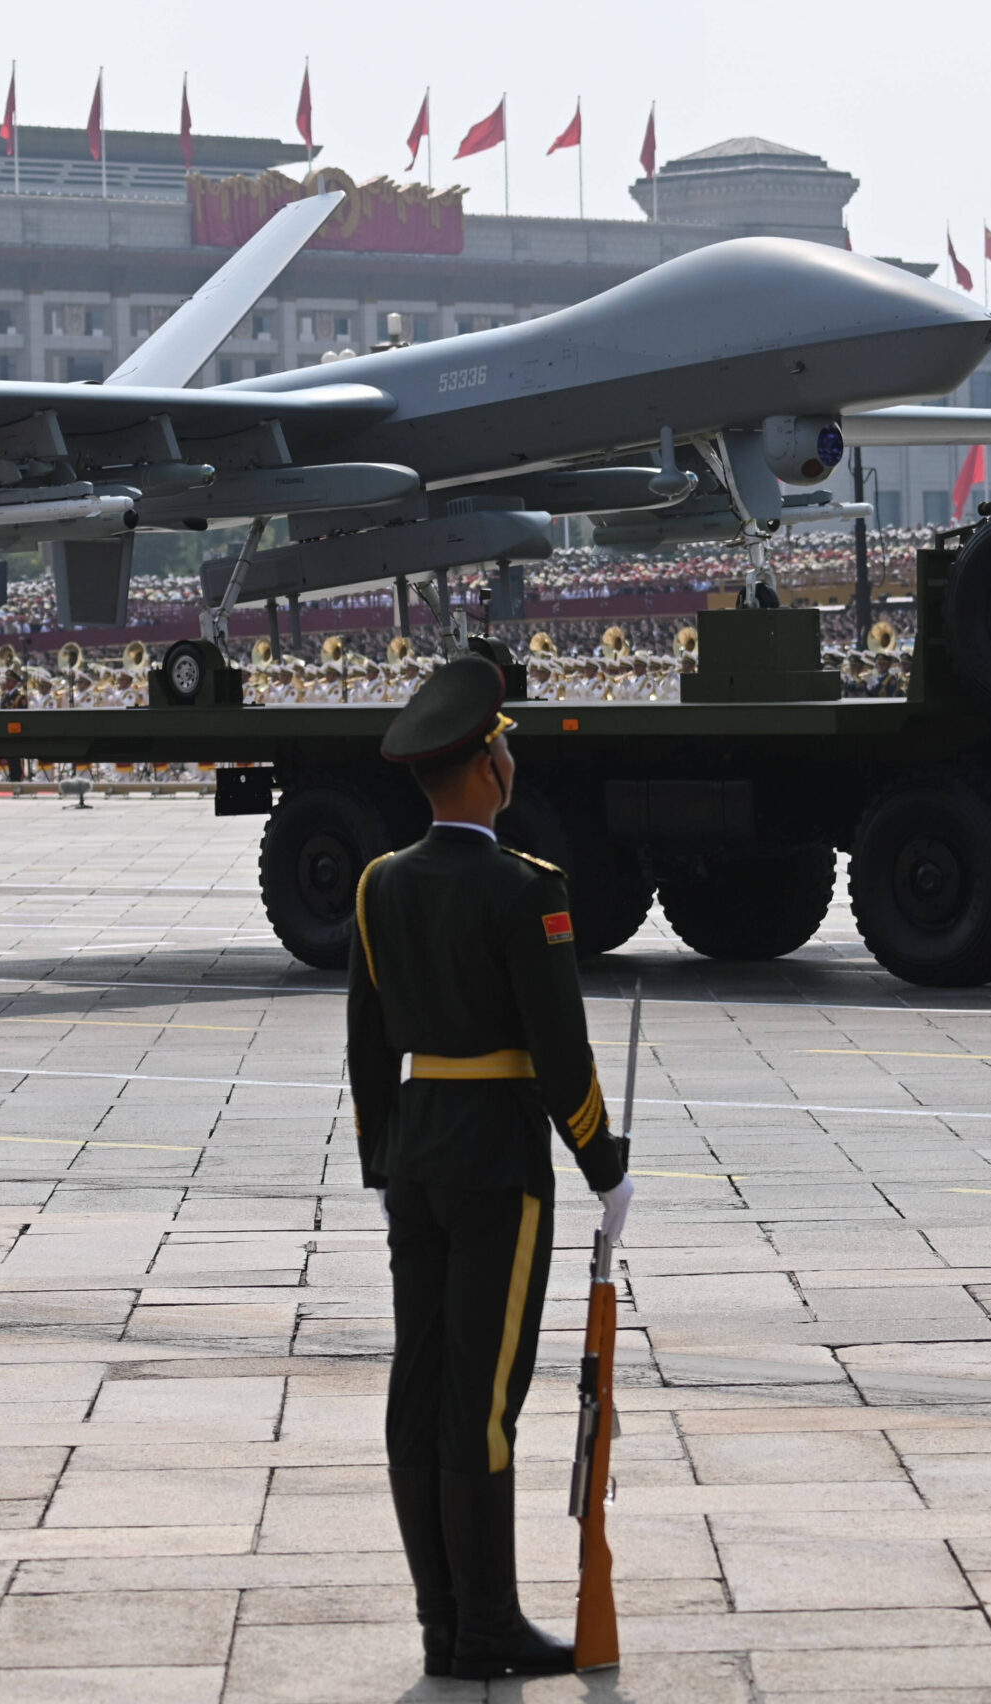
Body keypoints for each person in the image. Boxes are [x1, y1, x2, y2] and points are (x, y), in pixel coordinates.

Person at [345, 657, 634, 1681]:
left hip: (417, 1149)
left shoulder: (381, 885)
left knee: (418, 1388)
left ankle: (444, 1623)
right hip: (496, 1159)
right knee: (484, 1397)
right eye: (502, 744)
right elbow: (559, 1053)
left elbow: (367, 1048)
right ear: (481, 770)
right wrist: (603, 1160)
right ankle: (489, 1627)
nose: (510, 757)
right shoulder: (524, 891)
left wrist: (388, 1155)